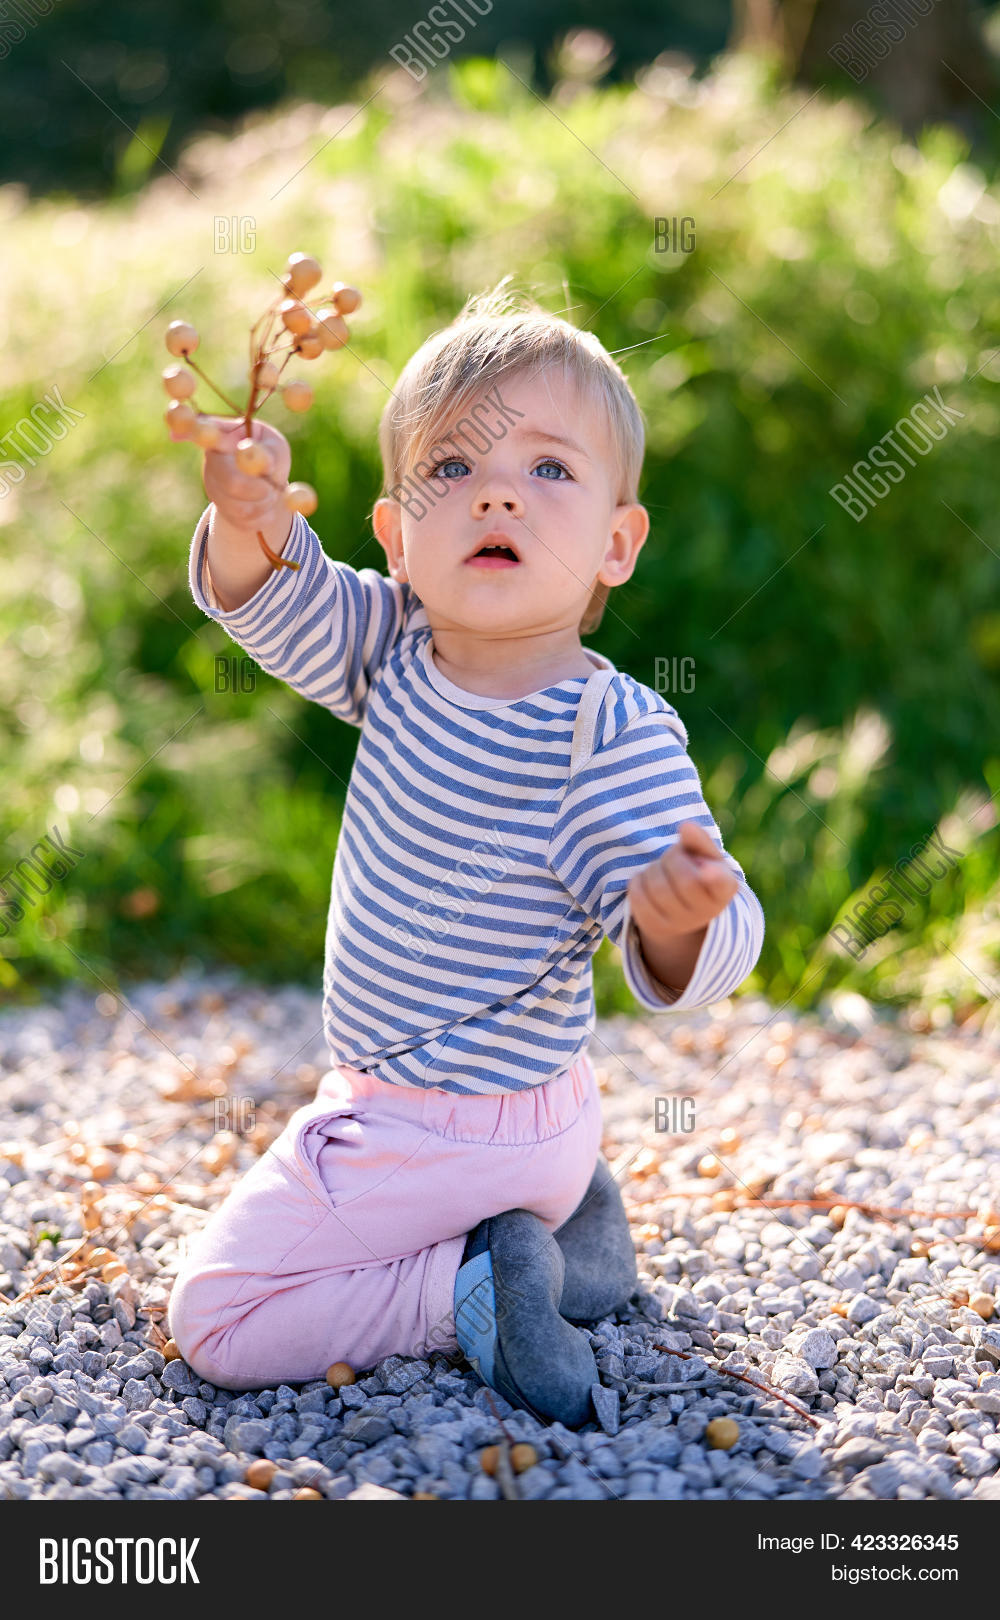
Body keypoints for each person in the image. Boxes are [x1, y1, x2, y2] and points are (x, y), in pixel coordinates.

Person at [167, 281, 765, 1428]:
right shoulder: (392, 647)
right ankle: (564, 1220)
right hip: (532, 1119)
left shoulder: (602, 732)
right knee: (487, 1169)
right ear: (395, 538)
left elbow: (691, 924)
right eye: (451, 470)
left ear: (615, 545)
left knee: (218, 1317)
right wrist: (250, 520)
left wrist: (680, 914)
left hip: (434, 1128)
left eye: (548, 469)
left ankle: (476, 1283)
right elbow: (273, 602)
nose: (496, 488)